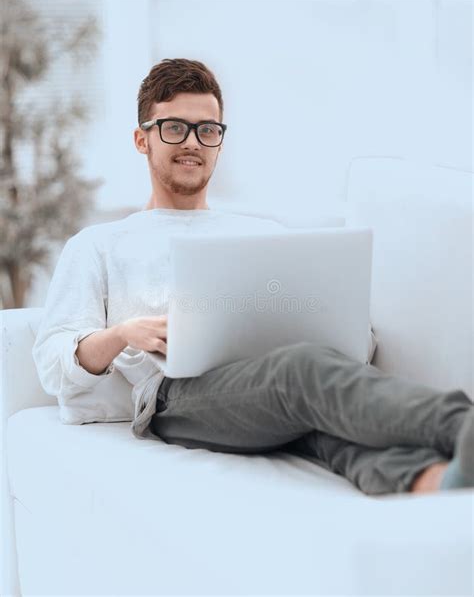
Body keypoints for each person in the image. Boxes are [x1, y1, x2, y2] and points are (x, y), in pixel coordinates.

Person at [33, 58, 473, 496]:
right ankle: (461, 424)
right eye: (174, 128)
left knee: (324, 423)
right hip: (174, 397)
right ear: (141, 139)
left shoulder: (264, 235)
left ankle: (440, 483)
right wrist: (125, 333)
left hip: (264, 384)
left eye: (207, 130)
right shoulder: (100, 244)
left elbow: (357, 340)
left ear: (220, 142)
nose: (193, 143)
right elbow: (54, 364)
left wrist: (343, 328)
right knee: (302, 373)